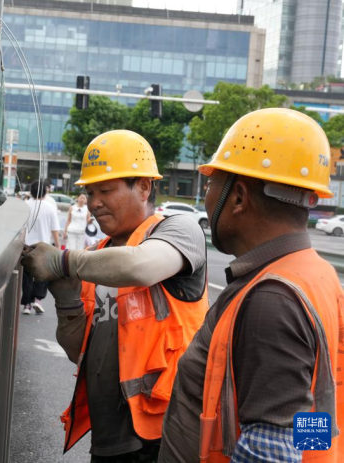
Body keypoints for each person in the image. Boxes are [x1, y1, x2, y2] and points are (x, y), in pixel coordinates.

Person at [159, 108, 344, 462]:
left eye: (212, 183)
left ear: (239, 197)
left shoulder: (272, 299)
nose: (208, 196)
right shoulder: (313, 273)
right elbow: (307, 413)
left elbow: (272, 451)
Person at [21, 130, 209, 462]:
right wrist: (67, 301)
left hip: (165, 434)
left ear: (144, 186)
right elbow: (75, 350)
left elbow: (140, 267)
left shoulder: (178, 230)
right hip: (112, 439)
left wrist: (63, 260)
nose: (94, 202)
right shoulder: (98, 257)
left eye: (106, 190)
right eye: (91, 192)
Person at [22, 179, 60, 315]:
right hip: (43, 246)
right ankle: (37, 299)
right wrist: (58, 246)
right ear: (45, 192)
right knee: (42, 275)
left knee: (27, 276)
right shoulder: (49, 207)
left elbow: (22, 227)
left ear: (31, 191)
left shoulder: (25, 205)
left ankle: (27, 304)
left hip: (26, 245)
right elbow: (55, 230)